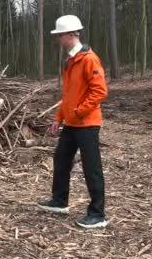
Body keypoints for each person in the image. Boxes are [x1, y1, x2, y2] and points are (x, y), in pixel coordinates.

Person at [37, 15, 109, 228]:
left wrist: (78, 112)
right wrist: (59, 117)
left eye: (60, 36)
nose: (58, 40)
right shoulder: (69, 61)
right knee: (61, 160)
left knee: (91, 167)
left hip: (87, 124)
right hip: (71, 123)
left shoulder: (88, 59)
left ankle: (97, 215)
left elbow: (100, 91)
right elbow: (68, 94)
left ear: (71, 35)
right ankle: (59, 201)